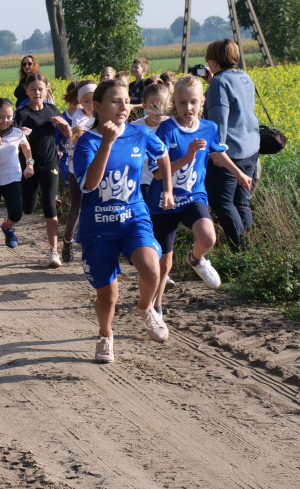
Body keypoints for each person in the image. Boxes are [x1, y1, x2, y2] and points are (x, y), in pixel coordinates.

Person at [73, 79, 174, 364]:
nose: (123, 106)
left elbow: (163, 155)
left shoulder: (139, 135)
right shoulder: (87, 142)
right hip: (98, 227)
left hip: (134, 218)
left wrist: (167, 188)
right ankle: (105, 334)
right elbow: (89, 186)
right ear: (97, 107)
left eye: (126, 101)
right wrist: (107, 142)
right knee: (108, 297)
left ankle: (146, 309)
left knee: (152, 268)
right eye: (115, 101)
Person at [148, 75, 253, 316]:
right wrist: (188, 157)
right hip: (165, 201)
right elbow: (157, 173)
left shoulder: (209, 128)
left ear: (202, 102)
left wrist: (238, 174)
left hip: (193, 196)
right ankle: (156, 308)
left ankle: (195, 259)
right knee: (164, 265)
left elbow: (217, 152)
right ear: (175, 102)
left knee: (208, 237)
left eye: (193, 102)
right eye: (183, 103)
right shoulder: (167, 129)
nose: (188, 108)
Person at [202, 38, 260, 250]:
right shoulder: (244, 77)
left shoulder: (219, 82)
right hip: (251, 148)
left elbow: (220, 121)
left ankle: (241, 250)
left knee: (222, 202)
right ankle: (249, 249)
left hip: (230, 151)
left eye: (208, 59)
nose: (207, 63)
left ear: (215, 61)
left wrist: (218, 152)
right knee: (241, 202)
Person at [13, 73, 64, 267]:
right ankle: (10, 225)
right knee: (28, 208)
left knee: (49, 206)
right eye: (33, 89)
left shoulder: (52, 109)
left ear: (46, 89)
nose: (37, 92)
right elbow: (17, 141)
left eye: (40, 89)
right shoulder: (22, 113)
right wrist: (28, 163)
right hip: (29, 166)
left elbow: (63, 133)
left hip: (50, 163)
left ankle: (54, 252)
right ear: (27, 91)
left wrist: (66, 132)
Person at [0, 98, 32, 269]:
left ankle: (8, 227)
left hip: (12, 178)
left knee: (16, 213)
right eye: (1, 117)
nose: (5, 121)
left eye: (8, 117)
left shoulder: (17, 132)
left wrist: (30, 163)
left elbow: (26, 147)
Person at [58, 81, 96, 263]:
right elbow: (79, 134)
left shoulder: (105, 114)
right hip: (78, 171)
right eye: (86, 101)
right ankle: (67, 242)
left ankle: (97, 243)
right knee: (77, 208)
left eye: (94, 100)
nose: (91, 105)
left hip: (101, 170)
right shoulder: (78, 117)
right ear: (80, 102)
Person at [129, 82, 171, 201]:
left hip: (168, 180)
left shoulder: (172, 126)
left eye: (164, 105)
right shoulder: (135, 127)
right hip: (143, 182)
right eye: (155, 106)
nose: (160, 110)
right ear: (145, 105)